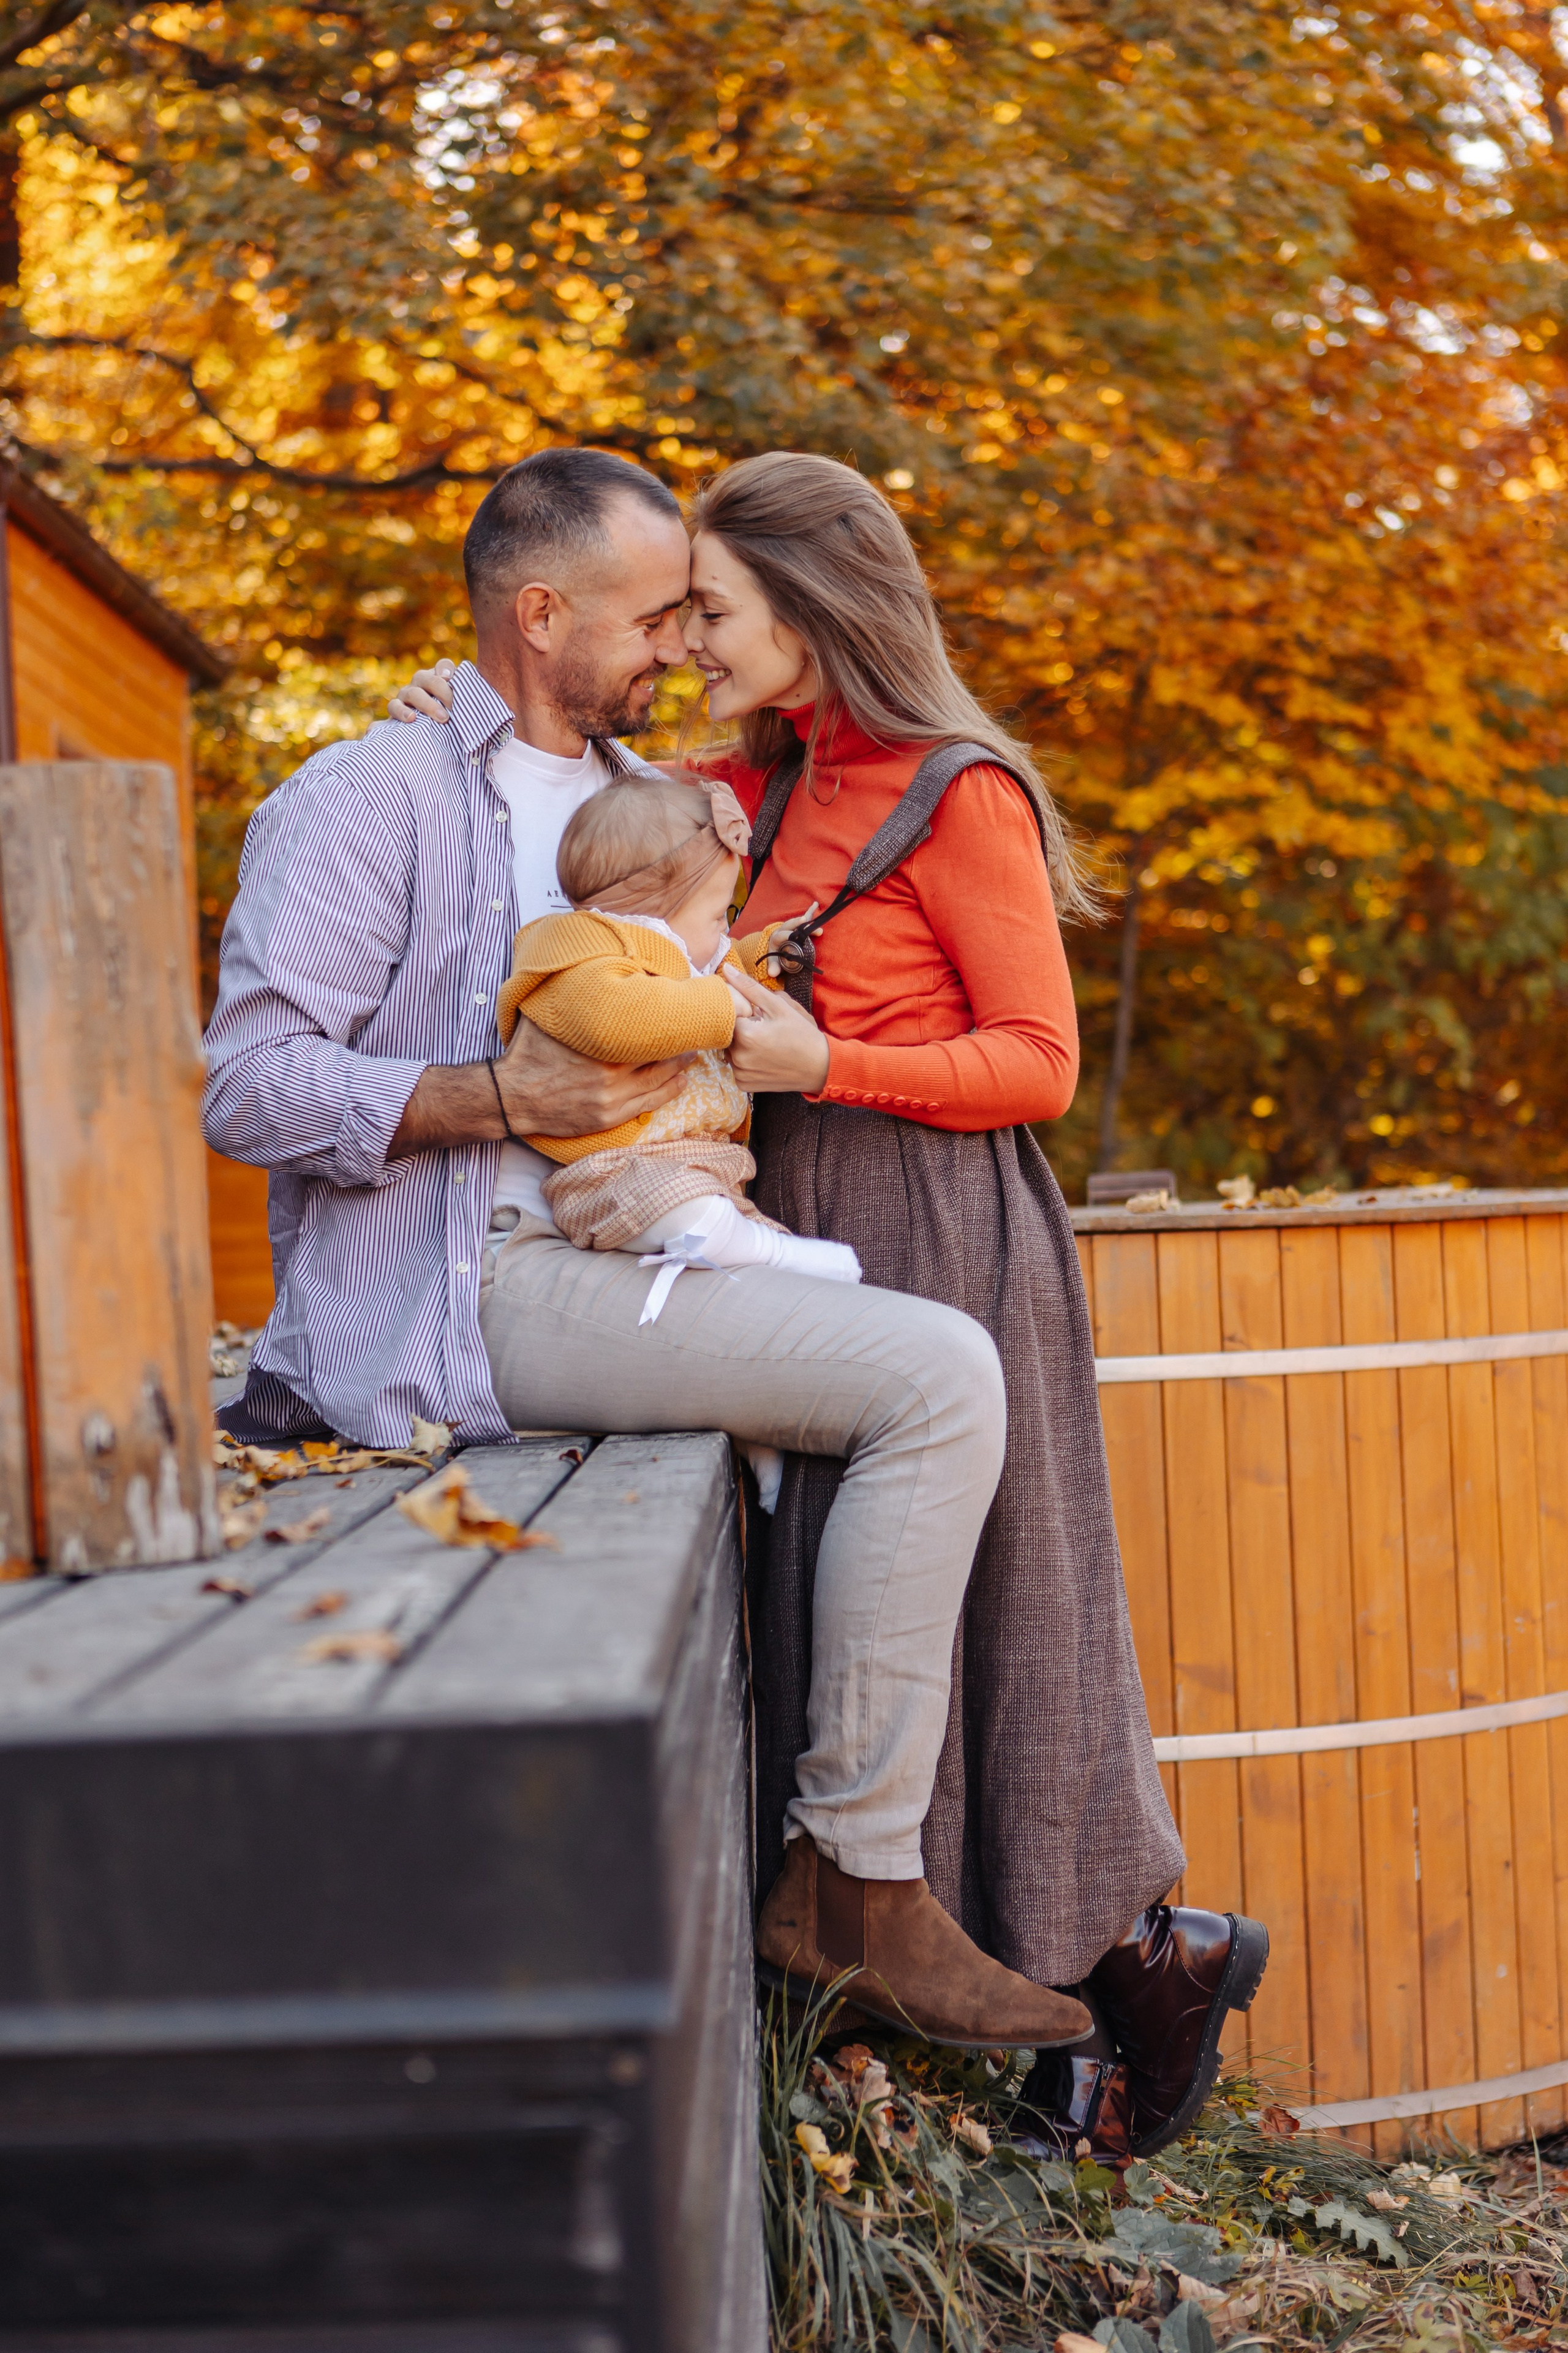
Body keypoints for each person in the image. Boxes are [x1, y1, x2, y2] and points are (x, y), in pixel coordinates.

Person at [387, 449, 1270, 2164]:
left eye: (713, 608)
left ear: (811, 609)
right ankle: (975, 1992)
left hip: (945, 1223)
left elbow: (1040, 1065)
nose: (691, 638)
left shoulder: (963, 795)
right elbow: (586, 804)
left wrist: (826, 1057)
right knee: (865, 1637)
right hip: (798, 1231)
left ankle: (1140, 1978)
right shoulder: (748, 786)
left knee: (1018, 1636)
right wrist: (450, 706)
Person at [204, 444, 1094, 2057]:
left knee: (937, 1381)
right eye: (655, 613)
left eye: (704, 614)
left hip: (670, 1232)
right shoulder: (372, 794)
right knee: (939, 1378)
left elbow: (918, 950)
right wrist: (489, 1094)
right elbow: (251, 1088)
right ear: (542, 615)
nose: (684, 644)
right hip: (487, 1278)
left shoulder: (679, 800)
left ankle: (861, 1879)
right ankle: (856, 1887)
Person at [499, 769, 861, 1332]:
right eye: (720, 914)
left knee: (716, 1222)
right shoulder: (577, 950)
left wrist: (768, 955)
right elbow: (617, 1018)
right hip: (612, 1175)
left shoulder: (696, 952)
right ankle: (759, 1251)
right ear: (653, 907)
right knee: (692, 1215)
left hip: (709, 1168)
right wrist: (728, 1005)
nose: (726, 930)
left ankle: (759, 1254)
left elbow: (730, 967)